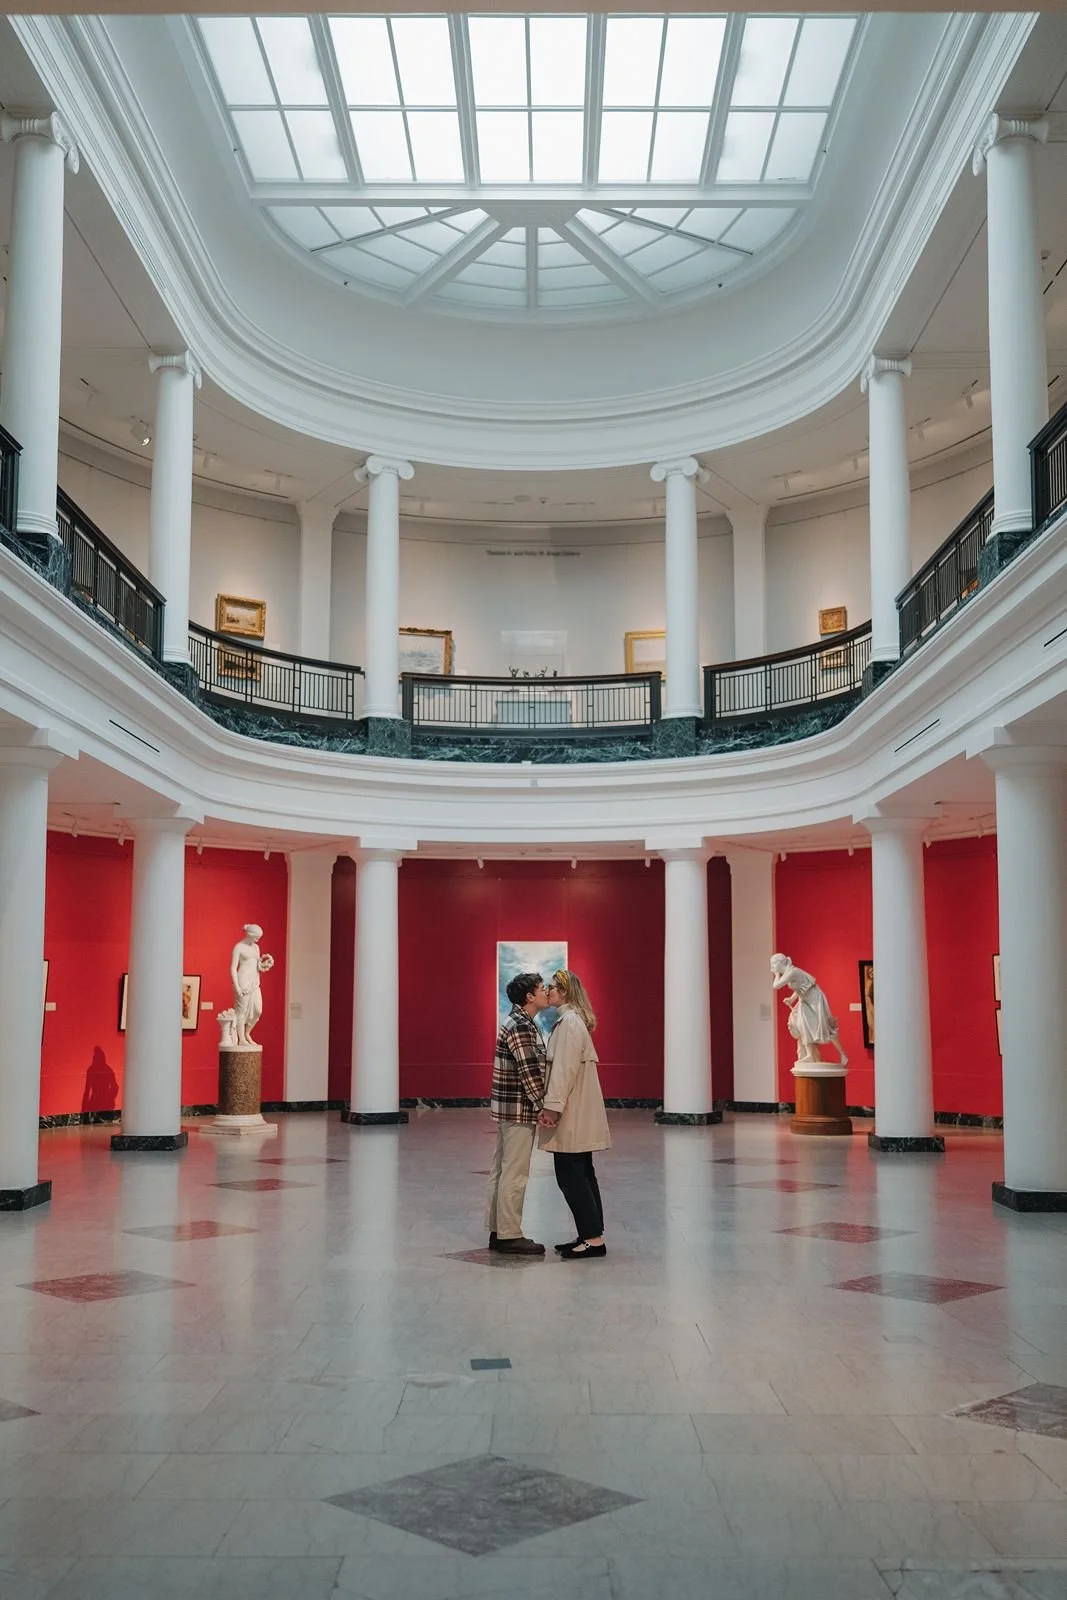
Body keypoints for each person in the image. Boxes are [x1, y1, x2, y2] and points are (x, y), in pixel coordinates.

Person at [538, 969, 611, 1260]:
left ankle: (593, 1239)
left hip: (571, 1112)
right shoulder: (572, 1021)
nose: (549, 991)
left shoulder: (568, 1023)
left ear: (566, 992)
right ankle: (590, 1234)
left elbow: (564, 1070)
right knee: (582, 1174)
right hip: (576, 1110)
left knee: (571, 1177)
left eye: (553, 987)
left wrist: (552, 1108)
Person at [486, 972, 549, 1256]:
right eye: (541, 988)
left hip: (508, 1108)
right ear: (529, 997)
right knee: (515, 1173)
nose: (546, 991)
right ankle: (510, 1235)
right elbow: (529, 1071)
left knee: (502, 1171)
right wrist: (543, 1106)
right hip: (518, 1109)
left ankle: (499, 1230)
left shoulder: (516, 1021)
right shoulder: (522, 1025)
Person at [769, 952, 847, 1066]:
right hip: (804, 1001)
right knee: (802, 1026)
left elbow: (776, 986)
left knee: (826, 1027)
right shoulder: (790, 972)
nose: (772, 968)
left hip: (815, 999)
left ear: (780, 963)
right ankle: (810, 1055)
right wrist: (791, 999)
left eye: (773, 965)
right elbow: (800, 987)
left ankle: (842, 1055)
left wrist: (776, 974)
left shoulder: (792, 972)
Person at [230, 924, 274, 1048]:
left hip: (255, 982)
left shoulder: (256, 947)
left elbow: (256, 965)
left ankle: (247, 1033)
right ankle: (241, 1038)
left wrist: (264, 965)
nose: (258, 940)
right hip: (243, 981)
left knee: (258, 1010)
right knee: (241, 1011)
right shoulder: (239, 947)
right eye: (256, 937)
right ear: (249, 935)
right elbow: (233, 968)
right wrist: (237, 986)